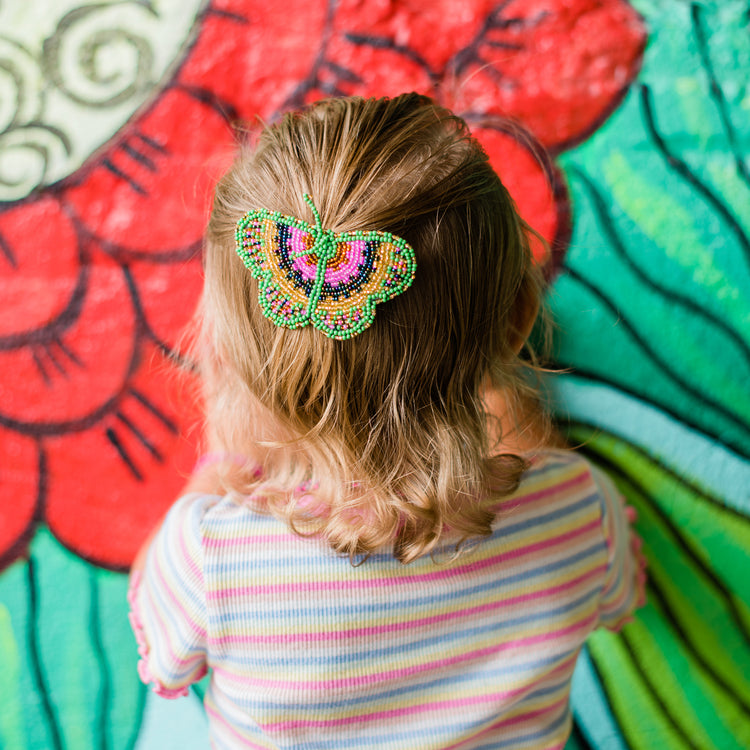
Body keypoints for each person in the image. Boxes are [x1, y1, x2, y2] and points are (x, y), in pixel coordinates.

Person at [128, 93, 646, 750]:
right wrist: (521, 426)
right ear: (519, 320)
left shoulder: (212, 556)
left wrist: (210, 478)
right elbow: (622, 595)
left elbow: (156, 634)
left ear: (228, 355)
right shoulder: (575, 510)